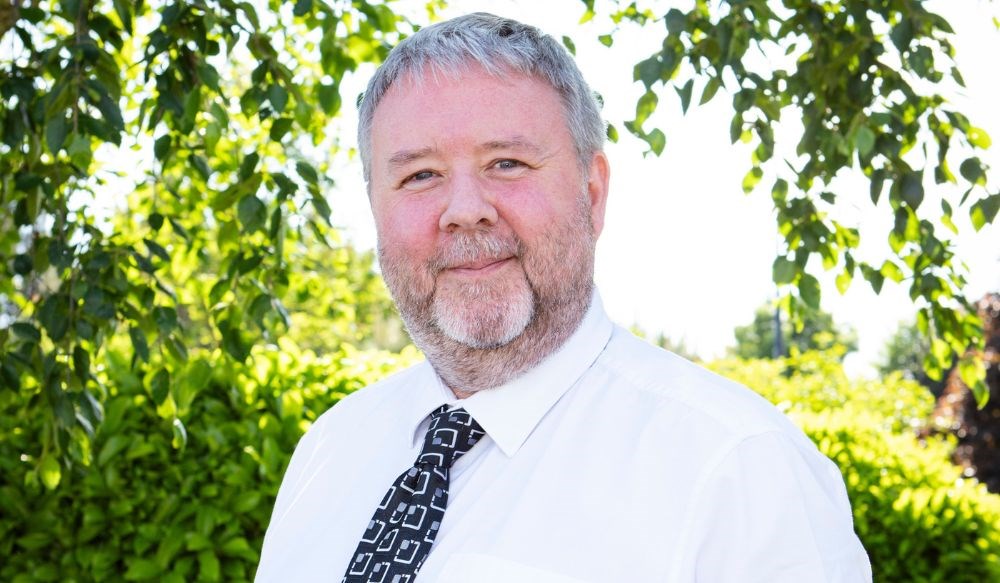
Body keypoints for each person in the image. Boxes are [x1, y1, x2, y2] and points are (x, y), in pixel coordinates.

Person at [256, 12, 872, 582]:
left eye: (507, 163)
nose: (464, 211)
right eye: (420, 175)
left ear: (592, 193)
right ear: (375, 210)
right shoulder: (330, 449)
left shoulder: (738, 471)